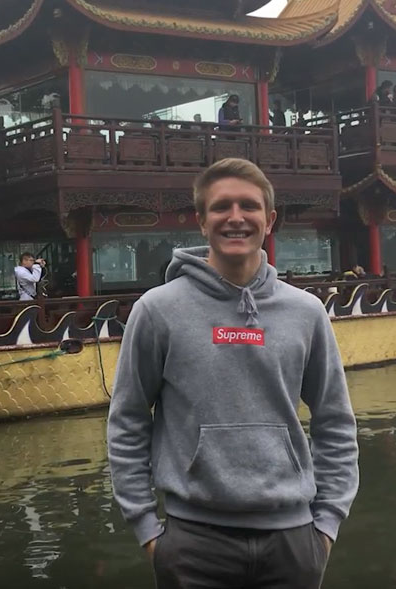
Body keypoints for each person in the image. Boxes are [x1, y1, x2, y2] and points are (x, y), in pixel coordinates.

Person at [107, 157, 359, 589]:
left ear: (270, 219)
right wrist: (149, 531)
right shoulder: (157, 311)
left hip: (293, 542)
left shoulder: (306, 313)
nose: (236, 218)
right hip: (193, 543)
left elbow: (334, 421)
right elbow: (128, 421)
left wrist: (327, 526)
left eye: (249, 206)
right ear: (201, 222)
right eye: (221, 207)